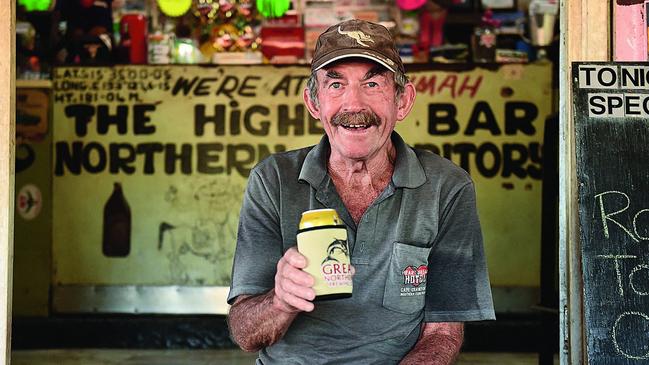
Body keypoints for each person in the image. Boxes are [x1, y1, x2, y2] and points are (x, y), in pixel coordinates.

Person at [227, 19, 495, 364]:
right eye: (335, 84)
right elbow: (246, 335)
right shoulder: (273, 180)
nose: (354, 105)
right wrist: (281, 301)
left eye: (372, 83)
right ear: (314, 102)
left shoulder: (447, 186)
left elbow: (442, 334)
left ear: (402, 100)